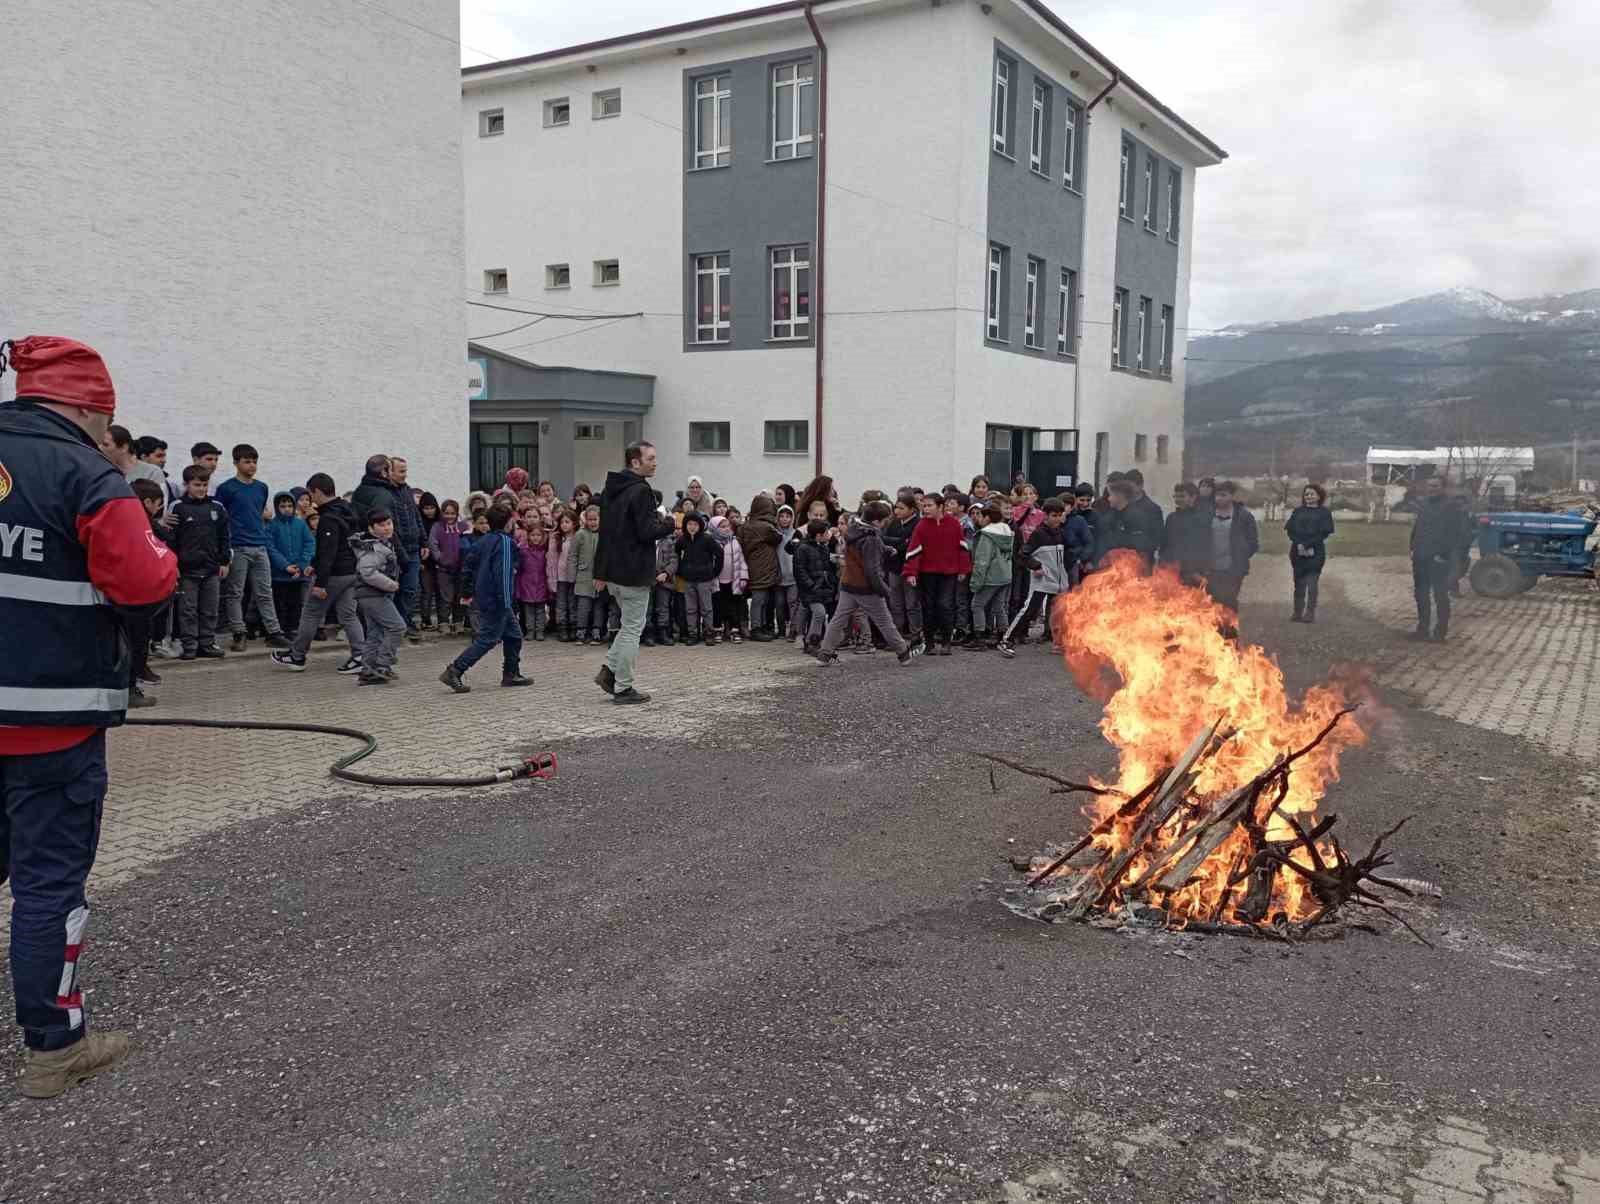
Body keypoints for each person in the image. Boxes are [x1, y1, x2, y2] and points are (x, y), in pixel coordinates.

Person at [0, 334, 178, 1098]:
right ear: (84, 406)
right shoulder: (85, 473)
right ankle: (54, 1048)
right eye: (106, 419)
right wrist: (161, 551)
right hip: (50, 723)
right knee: (46, 885)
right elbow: (142, 585)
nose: (109, 433)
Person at [592, 440, 675, 704]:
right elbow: (647, 532)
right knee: (631, 630)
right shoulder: (641, 491)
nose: (655, 462)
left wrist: (600, 572)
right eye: (650, 458)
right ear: (635, 462)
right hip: (633, 571)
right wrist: (669, 524)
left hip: (614, 571)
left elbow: (604, 534)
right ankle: (623, 687)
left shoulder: (612, 489)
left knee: (629, 626)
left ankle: (608, 672)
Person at [270, 474, 366, 674]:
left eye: (311, 494)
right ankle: (360, 656)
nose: (311, 500)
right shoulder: (348, 510)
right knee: (348, 614)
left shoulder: (328, 518)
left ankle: (297, 656)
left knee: (311, 613)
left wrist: (320, 583)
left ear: (318, 492)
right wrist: (314, 564)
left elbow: (328, 551)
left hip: (334, 574)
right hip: (351, 572)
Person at [439, 502, 531, 692]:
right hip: (498, 598)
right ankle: (455, 670)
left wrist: (467, 591)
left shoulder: (482, 541)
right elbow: (503, 574)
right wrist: (506, 602)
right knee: (487, 639)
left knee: (514, 636)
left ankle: (511, 673)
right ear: (508, 523)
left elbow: (468, 567)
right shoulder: (506, 543)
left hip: (486, 596)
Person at [815, 501, 915, 666]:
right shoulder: (871, 539)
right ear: (876, 521)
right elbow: (872, 570)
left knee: (837, 620)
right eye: (884, 521)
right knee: (884, 621)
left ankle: (824, 655)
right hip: (867, 588)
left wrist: (885, 549)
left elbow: (864, 550)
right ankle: (904, 653)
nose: (885, 524)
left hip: (848, 584)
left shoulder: (854, 529)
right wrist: (884, 590)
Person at [215, 444, 288, 650]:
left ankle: (273, 632)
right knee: (235, 592)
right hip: (238, 546)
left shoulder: (261, 487)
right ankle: (239, 632)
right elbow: (220, 518)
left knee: (265, 591)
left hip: (260, 545)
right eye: (247, 461)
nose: (252, 465)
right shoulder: (226, 489)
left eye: (254, 461)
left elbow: (260, 511)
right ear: (236, 463)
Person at [172, 466, 231, 658]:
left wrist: (224, 561)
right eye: (197, 485)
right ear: (186, 485)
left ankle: (207, 643)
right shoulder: (177, 507)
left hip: (212, 568)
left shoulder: (217, 507)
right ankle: (189, 646)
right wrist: (173, 566)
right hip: (187, 570)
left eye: (205, 485)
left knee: (210, 609)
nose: (201, 489)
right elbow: (171, 540)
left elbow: (225, 536)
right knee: (188, 610)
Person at [1001, 498, 1070, 656]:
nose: (1057, 518)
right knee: (1029, 611)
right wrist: (1036, 566)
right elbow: (1022, 555)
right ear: (1045, 515)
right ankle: (1007, 640)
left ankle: (1058, 643)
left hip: (1059, 582)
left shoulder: (1061, 533)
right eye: (1054, 515)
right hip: (1042, 581)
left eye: (1060, 515)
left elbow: (1066, 555)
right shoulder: (1038, 534)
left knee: (1059, 613)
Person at [126, 478, 175, 705]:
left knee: (137, 638)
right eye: (157, 504)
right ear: (146, 502)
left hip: (135, 591)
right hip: (133, 592)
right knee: (133, 640)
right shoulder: (138, 523)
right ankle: (129, 689)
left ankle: (134, 679)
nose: (159, 510)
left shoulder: (137, 520)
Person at [348, 510, 406, 686]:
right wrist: (391, 584)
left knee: (375, 633)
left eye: (389, 523)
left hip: (369, 595)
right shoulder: (374, 547)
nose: (387, 528)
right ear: (371, 528)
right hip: (373, 594)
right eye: (381, 525)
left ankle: (368, 671)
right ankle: (383, 665)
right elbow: (367, 572)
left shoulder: (382, 544)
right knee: (397, 627)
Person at [905, 491, 965, 655]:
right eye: (924, 506)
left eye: (929, 505)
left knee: (945, 606)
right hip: (927, 573)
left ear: (940, 506)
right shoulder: (921, 525)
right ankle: (929, 642)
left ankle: (946, 642)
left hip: (949, 573)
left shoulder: (954, 524)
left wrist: (963, 570)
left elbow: (962, 548)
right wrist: (911, 572)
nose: (925, 509)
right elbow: (914, 550)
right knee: (928, 606)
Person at [1408, 475, 1462, 642]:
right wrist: (1412, 547)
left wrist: (1443, 555)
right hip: (1420, 556)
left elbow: (1454, 534)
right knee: (1421, 594)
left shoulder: (1451, 507)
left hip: (1438, 559)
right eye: (1430, 485)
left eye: (1436, 486)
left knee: (1440, 596)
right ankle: (1422, 630)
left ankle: (1440, 633)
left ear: (1443, 488)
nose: (1432, 489)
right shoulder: (1424, 504)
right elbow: (1418, 527)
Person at [265, 491, 315, 643]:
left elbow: (309, 543)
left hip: (298, 573)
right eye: (282, 506)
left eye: (289, 505)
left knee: (295, 603)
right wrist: (285, 566)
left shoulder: (300, 524)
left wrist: (301, 564)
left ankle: (293, 628)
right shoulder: (272, 526)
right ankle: (280, 630)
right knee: (280, 603)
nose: (287, 509)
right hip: (279, 575)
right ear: (276, 507)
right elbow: (270, 548)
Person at [1203, 480, 1260, 614]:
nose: (1219, 498)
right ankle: (1215, 632)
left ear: (1232, 496)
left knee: (1229, 599)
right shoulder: (1208, 514)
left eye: (1224, 495)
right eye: (1217, 495)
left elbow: (1253, 542)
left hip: (1234, 567)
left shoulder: (1243, 516)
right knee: (1214, 600)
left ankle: (1230, 631)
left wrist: (1241, 554)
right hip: (1212, 567)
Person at [387, 456, 425, 640]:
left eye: (405, 471)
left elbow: (416, 517)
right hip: (395, 549)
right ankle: (394, 626)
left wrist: (423, 542)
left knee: (411, 589)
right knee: (393, 589)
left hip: (413, 548)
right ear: (390, 471)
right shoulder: (385, 493)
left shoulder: (407, 491)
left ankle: (403, 622)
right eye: (401, 471)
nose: (404, 475)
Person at [967, 502, 1014, 651]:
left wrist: (975, 583)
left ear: (987, 517)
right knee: (999, 607)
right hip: (1005, 576)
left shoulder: (986, 535)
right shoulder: (1006, 532)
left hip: (990, 577)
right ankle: (1003, 637)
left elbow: (982, 561)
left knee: (977, 605)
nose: (977, 518)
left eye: (980, 515)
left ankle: (979, 639)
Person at [1285, 484, 1335, 623]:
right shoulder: (1298, 511)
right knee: (1298, 583)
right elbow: (1290, 531)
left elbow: (1324, 533)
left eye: (1312, 494)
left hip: (1316, 552)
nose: (1308, 496)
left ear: (1319, 496)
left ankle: (1310, 613)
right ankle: (1297, 613)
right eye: (1306, 494)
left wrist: (1308, 545)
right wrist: (1300, 544)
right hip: (1297, 551)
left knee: (1312, 584)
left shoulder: (1324, 513)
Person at [737, 493, 783, 641]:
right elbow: (778, 538)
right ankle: (757, 628)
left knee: (759, 599)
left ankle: (760, 627)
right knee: (760, 600)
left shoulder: (745, 526)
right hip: (764, 567)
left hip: (752, 565)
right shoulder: (766, 527)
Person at [675, 510, 723, 645]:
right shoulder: (682, 540)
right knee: (690, 608)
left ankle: (709, 633)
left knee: (706, 608)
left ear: (700, 525)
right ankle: (692, 633)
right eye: (689, 524)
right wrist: (680, 571)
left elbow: (719, 553)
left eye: (695, 524)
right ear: (685, 525)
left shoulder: (707, 539)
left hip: (704, 579)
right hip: (688, 579)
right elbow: (676, 555)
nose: (692, 527)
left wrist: (714, 572)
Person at [882, 491, 923, 649]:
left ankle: (916, 636)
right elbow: (883, 539)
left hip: (910, 569)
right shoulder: (893, 523)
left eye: (901, 508)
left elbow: (910, 545)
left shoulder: (917, 523)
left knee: (912, 604)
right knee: (896, 604)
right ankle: (896, 637)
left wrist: (898, 543)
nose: (897, 511)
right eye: (896, 507)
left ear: (912, 509)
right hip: (894, 568)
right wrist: (899, 542)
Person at [792, 518, 837, 654]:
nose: (829, 534)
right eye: (826, 532)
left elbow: (826, 568)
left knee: (816, 613)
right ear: (818, 535)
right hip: (811, 590)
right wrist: (811, 586)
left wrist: (830, 582)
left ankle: (810, 640)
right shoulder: (803, 548)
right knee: (819, 613)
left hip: (821, 588)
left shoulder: (823, 547)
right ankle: (812, 642)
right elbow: (800, 571)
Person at [1160, 481, 1210, 586]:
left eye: (1182, 496)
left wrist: (1198, 573)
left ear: (1193, 497)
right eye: (1176, 496)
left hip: (1193, 573)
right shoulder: (1172, 518)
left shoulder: (1202, 519)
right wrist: (1162, 562)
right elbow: (1165, 543)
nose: (1178, 499)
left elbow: (1204, 546)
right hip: (1171, 571)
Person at [429, 498, 466, 635]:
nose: (449, 516)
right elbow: (433, 544)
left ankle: (457, 621)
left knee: (459, 596)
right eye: (446, 513)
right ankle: (443, 621)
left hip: (461, 568)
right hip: (444, 569)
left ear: (457, 513)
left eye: (452, 513)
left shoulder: (463, 527)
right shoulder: (437, 527)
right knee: (445, 597)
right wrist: (440, 558)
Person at [645, 512, 679, 647]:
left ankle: (663, 631)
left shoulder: (669, 542)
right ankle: (648, 632)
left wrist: (666, 573)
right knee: (648, 607)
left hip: (664, 581)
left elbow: (674, 561)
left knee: (663, 607)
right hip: (647, 580)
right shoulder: (644, 542)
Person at [571, 504, 603, 645]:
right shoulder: (580, 535)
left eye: (595, 519)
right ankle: (581, 632)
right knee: (583, 606)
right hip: (583, 577)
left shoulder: (605, 534)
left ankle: (597, 632)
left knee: (598, 606)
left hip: (601, 578)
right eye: (590, 519)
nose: (592, 522)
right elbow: (572, 556)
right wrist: (572, 575)